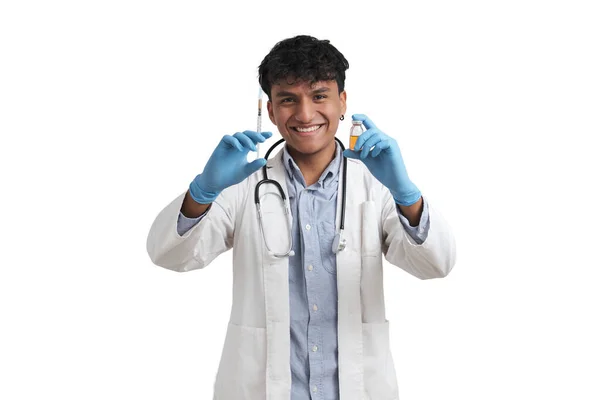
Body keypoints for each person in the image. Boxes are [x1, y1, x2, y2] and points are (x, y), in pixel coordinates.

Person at [146, 35, 456, 400]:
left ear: (343, 102)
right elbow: (170, 255)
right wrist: (202, 192)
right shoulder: (243, 185)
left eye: (320, 95)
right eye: (288, 99)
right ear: (271, 110)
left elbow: (436, 264)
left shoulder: (377, 186)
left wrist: (406, 194)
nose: (305, 114)